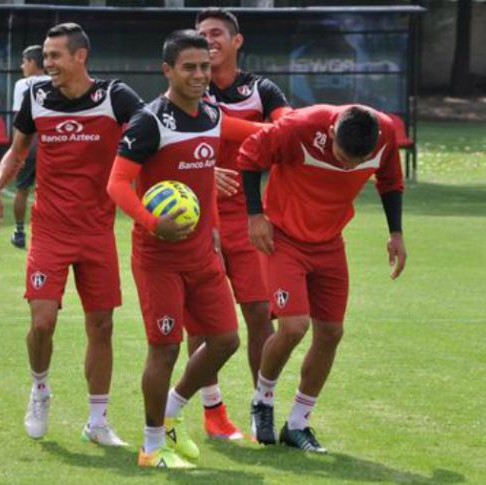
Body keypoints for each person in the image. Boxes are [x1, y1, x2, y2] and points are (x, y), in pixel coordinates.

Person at [106, 29, 268, 469]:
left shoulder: (212, 114)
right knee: (165, 348)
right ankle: (152, 447)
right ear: (168, 71)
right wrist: (152, 221)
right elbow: (117, 184)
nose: (200, 75)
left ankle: (172, 414)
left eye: (205, 67)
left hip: (202, 254)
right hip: (159, 257)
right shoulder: (150, 120)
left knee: (225, 339)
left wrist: (213, 227)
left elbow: (211, 177)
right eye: (189, 67)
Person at [0, 22, 145, 447]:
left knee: (102, 325)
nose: (47, 64)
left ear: (80, 56)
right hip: (50, 230)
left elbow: (156, 135)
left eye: (55, 56)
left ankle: (97, 420)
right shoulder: (36, 97)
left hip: (97, 231)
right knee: (42, 321)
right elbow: (17, 151)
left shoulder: (115, 97)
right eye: (46, 57)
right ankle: (39, 389)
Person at [238, 104, 407, 453]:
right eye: (343, 158)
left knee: (331, 332)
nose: (349, 168)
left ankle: (298, 423)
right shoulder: (299, 126)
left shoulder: (386, 132)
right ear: (330, 134)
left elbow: (390, 180)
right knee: (294, 327)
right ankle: (262, 401)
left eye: (358, 162)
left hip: (330, 242)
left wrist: (396, 233)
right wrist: (255, 215)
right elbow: (249, 154)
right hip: (283, 238)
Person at [189, 7, 293, 441]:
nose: (208, 40)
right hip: (198, 216)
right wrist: (207, 167)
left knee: (257, 313)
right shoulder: (188, 83)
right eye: (201, 35)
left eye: (216, 33)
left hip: (250, 217)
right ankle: (213, 410)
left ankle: (261, 405)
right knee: (203, 321)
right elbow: (178, 139)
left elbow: (286, 132)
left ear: (236, 42)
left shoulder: (261, 88)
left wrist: (259, 133)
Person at [10, 45, 50, 249]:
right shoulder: (57, 82)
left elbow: (19, 121)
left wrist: (16, 150)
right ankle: (50, 232)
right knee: (51, 191)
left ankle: (19, 231)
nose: (22, 66)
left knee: (22, 188)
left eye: (24, 61)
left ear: (33, 63)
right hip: (52, 145)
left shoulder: (22, 84)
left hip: (29, 145)